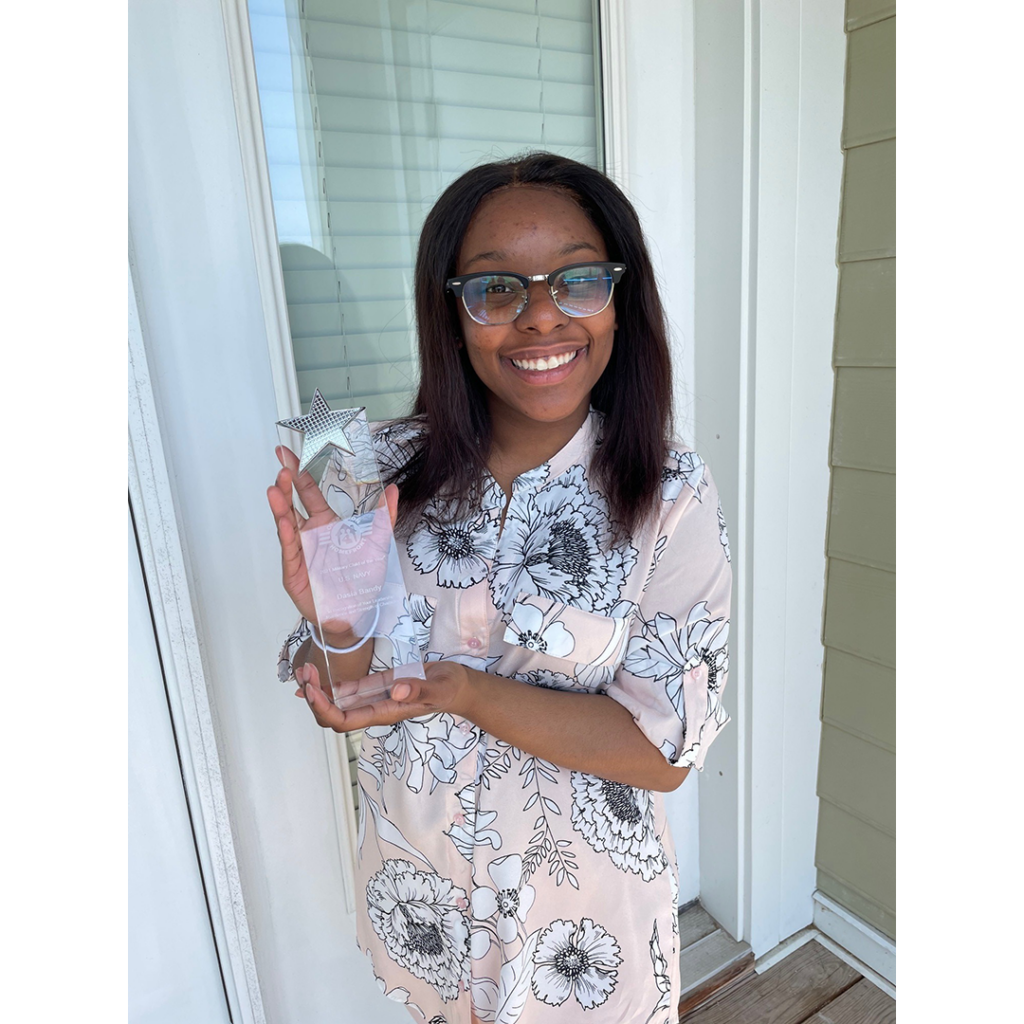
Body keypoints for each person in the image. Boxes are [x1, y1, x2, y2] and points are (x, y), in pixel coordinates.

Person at [267, 152, 732, 1024]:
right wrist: (336, 630)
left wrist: (466, 692)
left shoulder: (671, 495)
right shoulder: (376, 475)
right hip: (425, 897)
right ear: (453, 313)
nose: (542, 315)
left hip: (583, 930)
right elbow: (352, 683)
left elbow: (661, 751)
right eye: (497, 289)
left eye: (578, 279)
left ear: (619, 300)